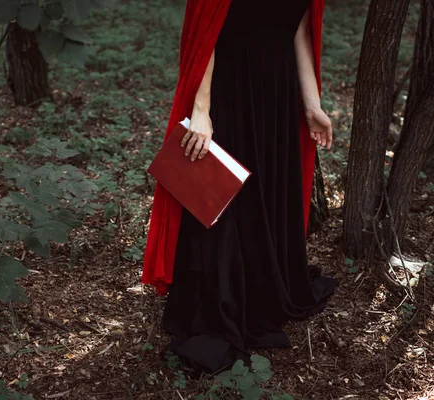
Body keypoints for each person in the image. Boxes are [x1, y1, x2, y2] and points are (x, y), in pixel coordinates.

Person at [142, 0, 338, 374]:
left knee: (266, 195)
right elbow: (206, 31)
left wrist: (311, 104)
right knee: (224, 199)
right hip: (227, 89)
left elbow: (298, 29)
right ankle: (221, 303)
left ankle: (262, 293)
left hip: (278, 97)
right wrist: (201, 109)